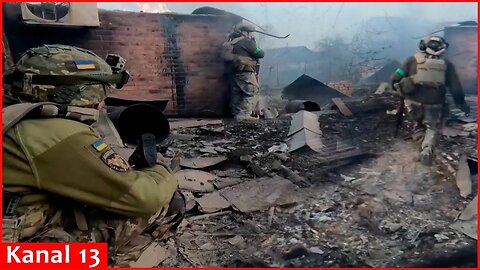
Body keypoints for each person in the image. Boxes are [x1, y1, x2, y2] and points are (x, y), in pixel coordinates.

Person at [2, 45, 184, 266]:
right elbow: (143, 198)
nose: (102, 102)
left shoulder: (14, 117)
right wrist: (161, 169)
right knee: (167, 203)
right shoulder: (56, 133)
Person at [390, 36, 469, 166]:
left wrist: (401, 88)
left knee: (418, 125)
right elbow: (456, 89)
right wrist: (462, 105)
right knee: (432, 127)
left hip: (413, 103)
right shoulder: (447, 65)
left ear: (422, 46)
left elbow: (394, 78)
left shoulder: (411, 60)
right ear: (443, 48)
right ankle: (427, 148)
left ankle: (420, 146)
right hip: (434, 104)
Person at [222, 22, 265, 120]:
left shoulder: (231, 41)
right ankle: (244, 115)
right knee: (251, 91)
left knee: (236, 93)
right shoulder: (246, 42)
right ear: (245, 32)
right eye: (250, 33)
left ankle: (236, 113)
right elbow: (261, 54)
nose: (251, 35)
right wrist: (253, 42)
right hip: (244, 72)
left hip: (233, 73)